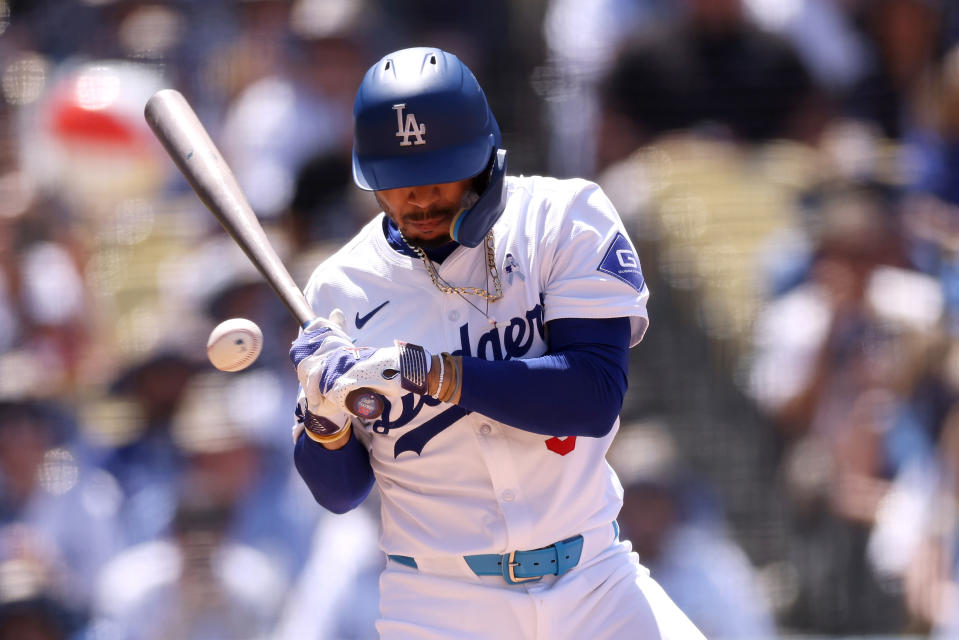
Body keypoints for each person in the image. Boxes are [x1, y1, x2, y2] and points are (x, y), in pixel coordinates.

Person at [288, 46, 704, 639]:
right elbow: (340, 493)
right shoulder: (339, 287)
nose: (419, 199)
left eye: (438, 174)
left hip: (595, 584)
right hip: (439, 603)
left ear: (483, 157)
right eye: (399, 182)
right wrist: (323, 418)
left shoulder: (562, 219)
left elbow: (592, 394)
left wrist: (432, 372)